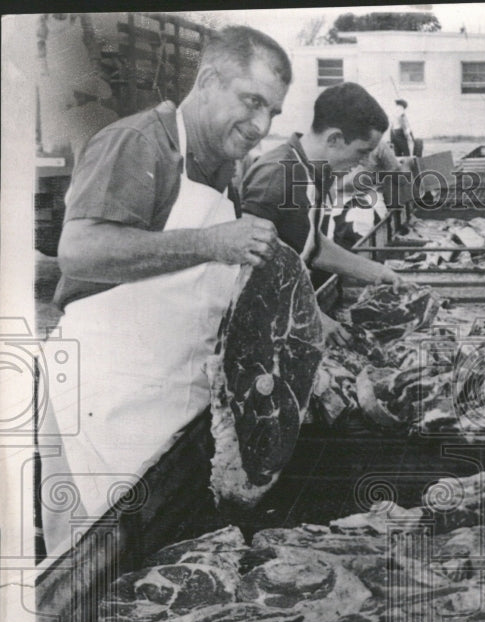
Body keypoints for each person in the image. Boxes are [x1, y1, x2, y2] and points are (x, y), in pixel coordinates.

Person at [42, 25, 290, 556]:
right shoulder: (138, 142)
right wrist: (209, 242)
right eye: (251, 102)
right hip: (102, 399)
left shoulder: (226, 167)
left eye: (273, 112)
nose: (261, 125)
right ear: (206, 81)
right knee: (87, 575)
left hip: (172, 406)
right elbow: (81, 251)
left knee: (159, 573)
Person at [241, 82, 403, 307]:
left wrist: (376, 272)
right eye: (362, 152)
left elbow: (312, 245)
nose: (364, 162)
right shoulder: (277, 175)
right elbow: (245, 266)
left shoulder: (314, 170)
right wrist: (313, 318)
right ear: (334, 139)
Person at [331, 138, 407, 248]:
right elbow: (399, 177)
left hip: (343, 201)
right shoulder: (379, 145)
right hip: (364, 199)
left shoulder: (341, 143)